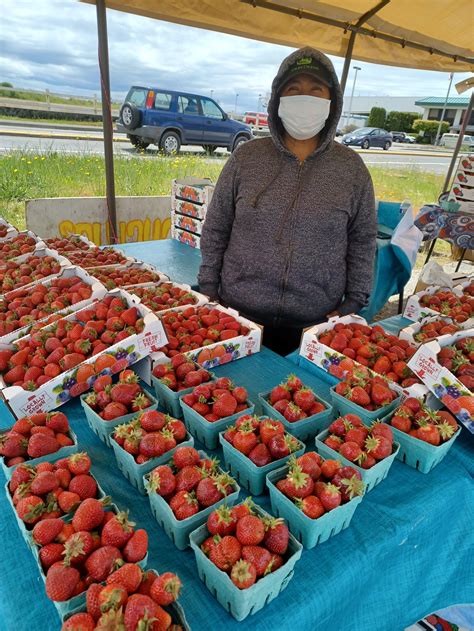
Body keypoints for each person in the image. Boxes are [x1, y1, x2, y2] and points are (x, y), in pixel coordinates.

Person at [198, 47, 377, 356]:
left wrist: (354, 301)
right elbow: (216, 227)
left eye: (315, 90)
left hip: (314, 325)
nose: (304, 97)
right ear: (277, 100)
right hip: (237, 315)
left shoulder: (351, 169)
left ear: (331, 101)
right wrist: (209, 289)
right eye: (293, 89)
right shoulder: (247, 158)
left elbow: (362, 239)